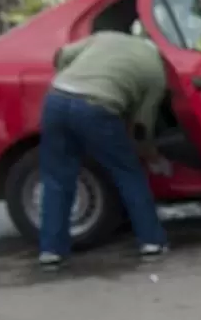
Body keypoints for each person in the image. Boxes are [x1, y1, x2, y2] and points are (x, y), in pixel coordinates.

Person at [38, 31, 171, 270]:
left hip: (56, 99)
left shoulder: (106, 37)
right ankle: (151, 241)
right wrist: (152, 157)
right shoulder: (156, 73)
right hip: (97, 108)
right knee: (128, 173)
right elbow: (141, 127)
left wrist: (73, 78)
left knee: (57, 178)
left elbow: (61, 55)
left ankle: (51, 251)